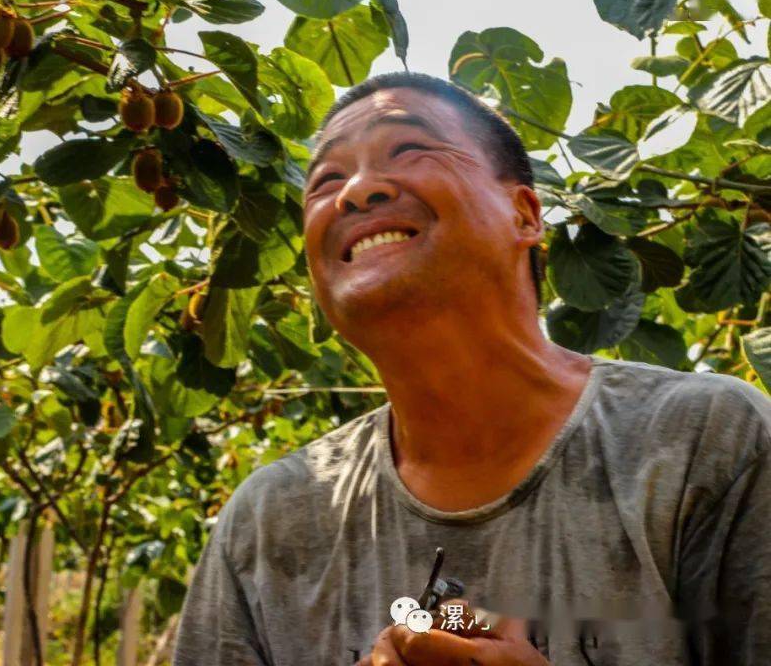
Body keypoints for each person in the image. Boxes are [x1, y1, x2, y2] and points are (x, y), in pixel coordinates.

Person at [170, 72, 771, 665]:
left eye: (407, 149)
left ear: (526, 214)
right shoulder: (267, 522)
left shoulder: (707, 442)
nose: (355, 190)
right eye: (325, 180)